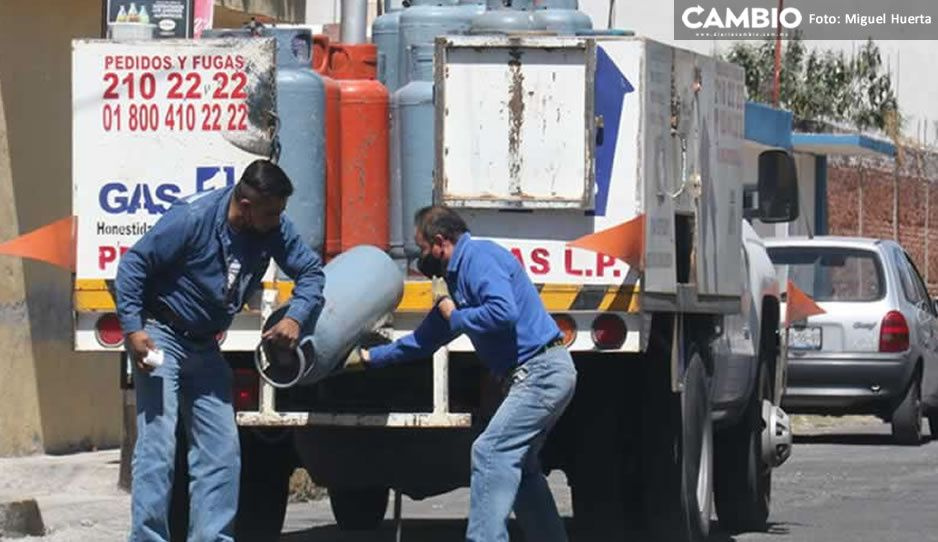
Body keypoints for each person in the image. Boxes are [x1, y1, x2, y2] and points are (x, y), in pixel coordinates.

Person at [116, 159, 325, 541]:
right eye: (271, 212)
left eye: (280, 212)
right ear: (245, 207)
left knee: (222, 453)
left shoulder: (271, 228)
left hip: (206, 346)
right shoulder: (192, 219)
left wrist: (296, 317)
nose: (278, 220)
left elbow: (311, 273)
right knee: (158, 451)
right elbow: (133, 265)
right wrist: (133, 330)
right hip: (162, 335)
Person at [351, 205, 577, 542]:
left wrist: (454, 315)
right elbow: (422, 342)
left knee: (490, 452)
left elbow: (503, 313)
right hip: (536, 376)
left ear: (441, 242)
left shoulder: (479, 259)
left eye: (423, 249)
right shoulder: (455, 282)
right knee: (522, 467)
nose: (420, 260)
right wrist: (368, 358)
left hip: (542, 373)